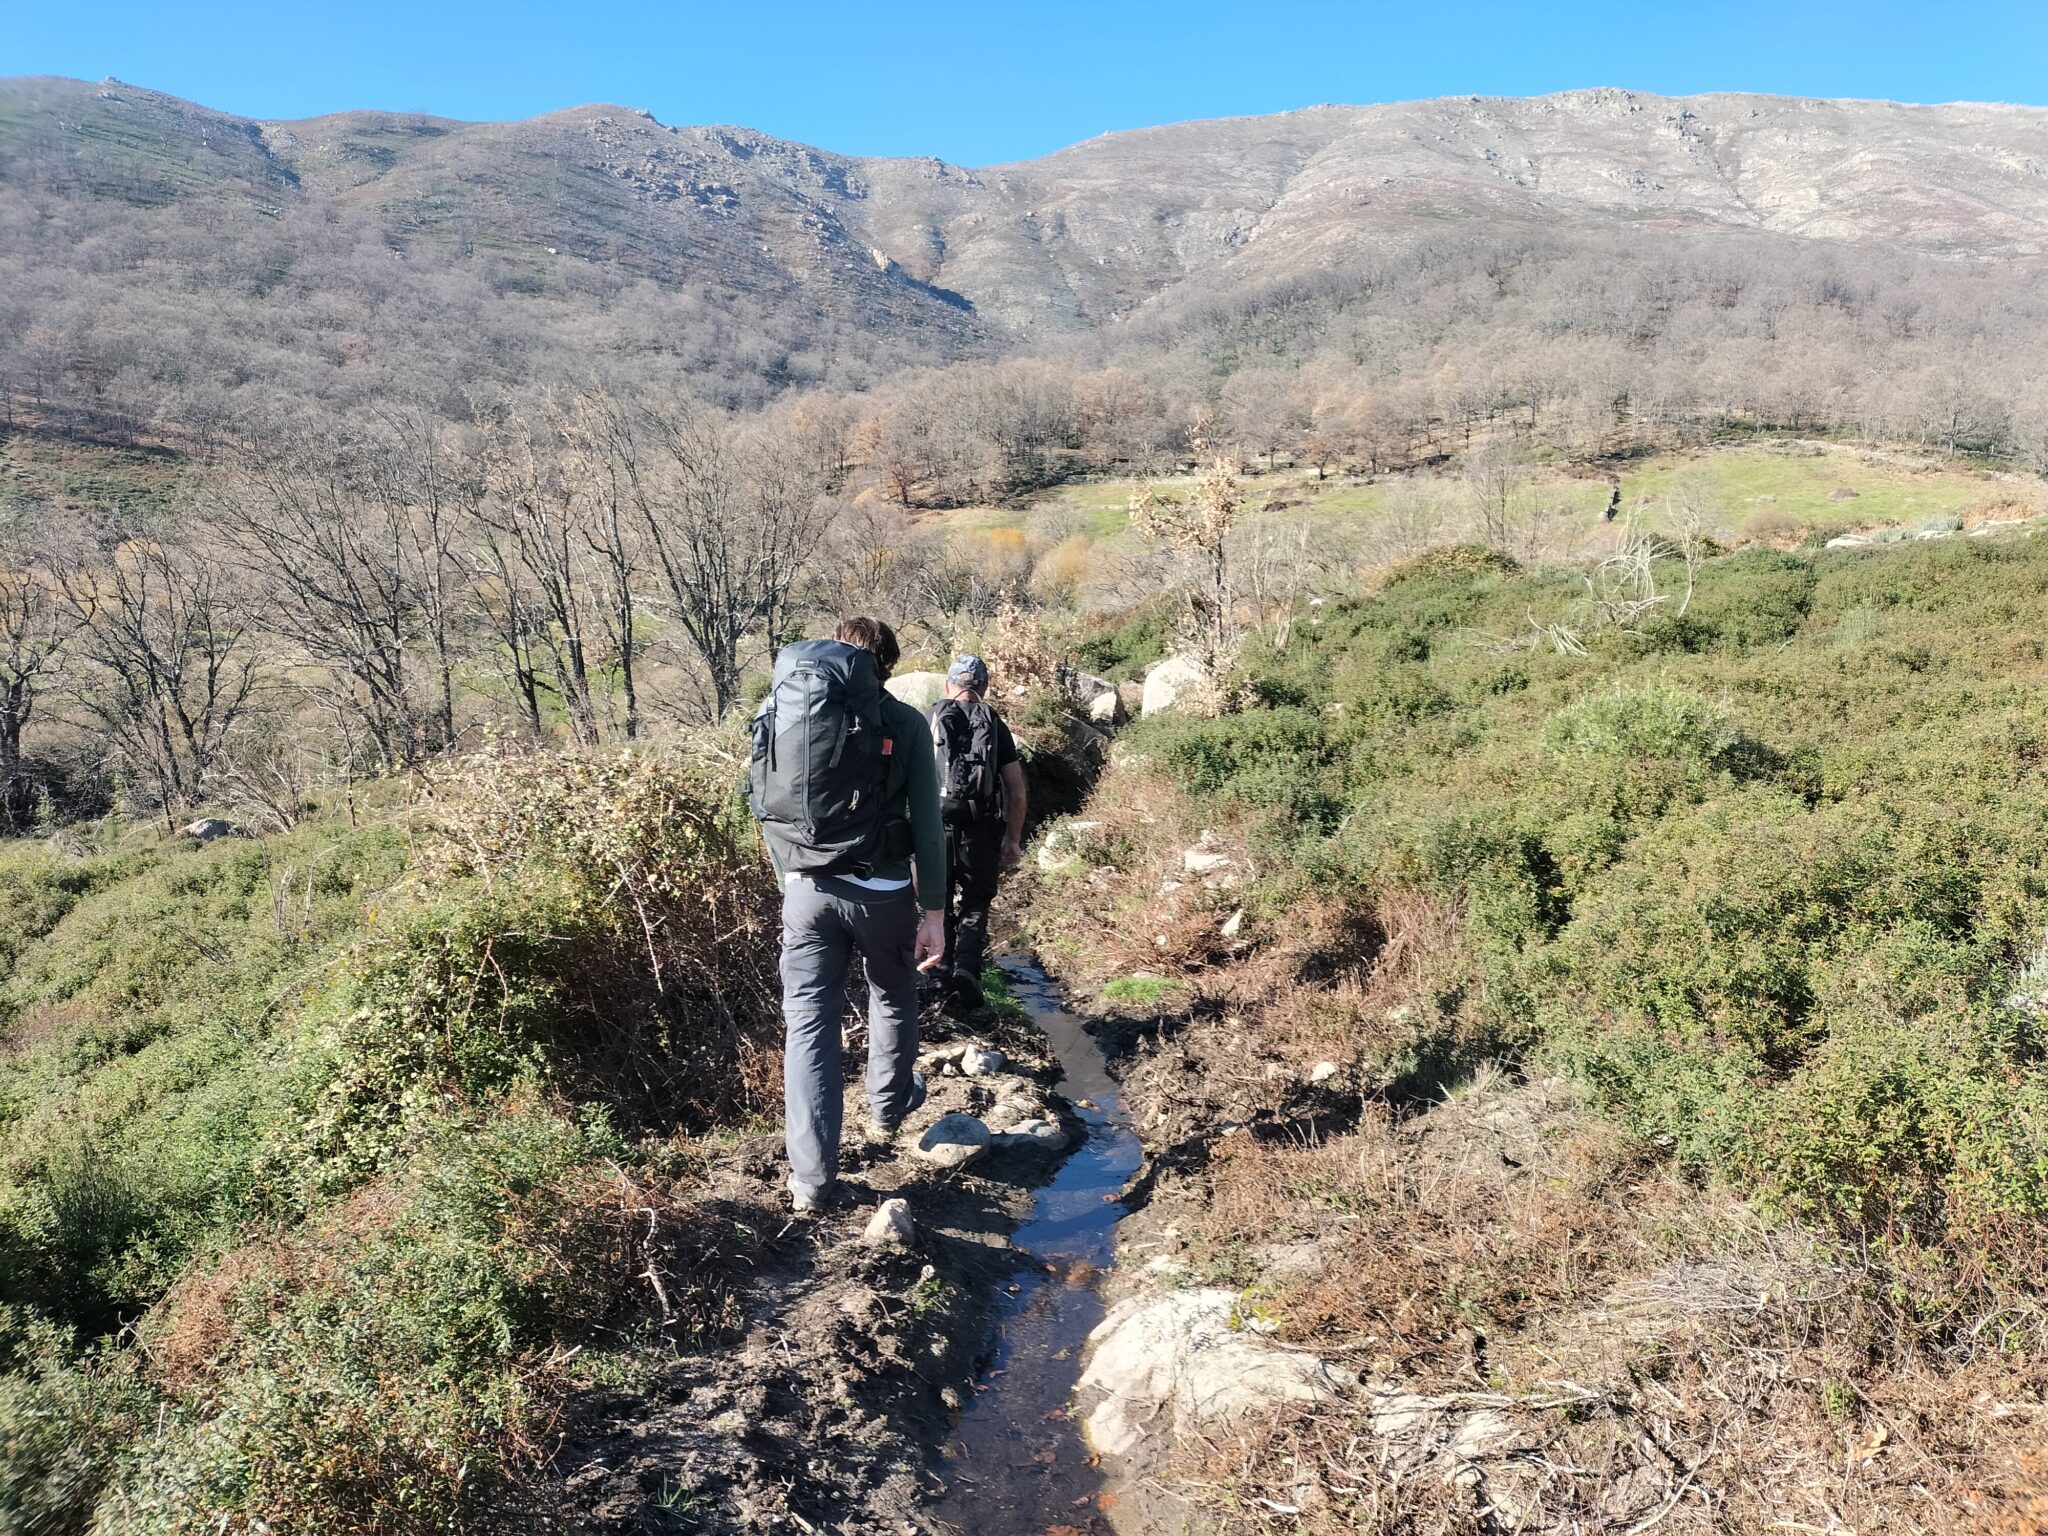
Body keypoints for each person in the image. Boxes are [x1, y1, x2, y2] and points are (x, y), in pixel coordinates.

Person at [748, 617, 947, 1214]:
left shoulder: (782, 708)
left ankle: (811, 1181)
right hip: (883, 892)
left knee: (808, 1024)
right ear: (885, 665)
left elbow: (758, 797)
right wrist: (933, 911)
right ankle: (887, 1107)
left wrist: (791, 872)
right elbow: (929, 827)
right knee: (892, 992)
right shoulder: (906, 722)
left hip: (805, 890)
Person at [926, 654, 1027, 1016]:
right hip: (981, 829)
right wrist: (1012, 841)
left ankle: (939, 976)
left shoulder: (929, 719)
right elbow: (1015, 790)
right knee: (975, 901)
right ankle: (967, 970)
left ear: (948, 685)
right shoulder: (995, 725)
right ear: (983, 687)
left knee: (934, 902)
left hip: (933, 829)